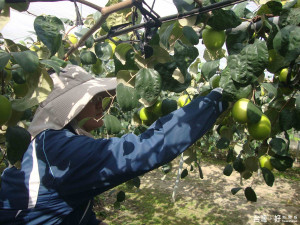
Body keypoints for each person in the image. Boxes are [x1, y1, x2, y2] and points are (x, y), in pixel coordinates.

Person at [0, 64, 227, 225]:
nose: (101, 106)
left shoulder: (48, 144)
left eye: (101, 98)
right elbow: (144, 149)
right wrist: (214, 100)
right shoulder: (59, 151)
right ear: (70, 108)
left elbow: (64, 205)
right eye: (93, 99)